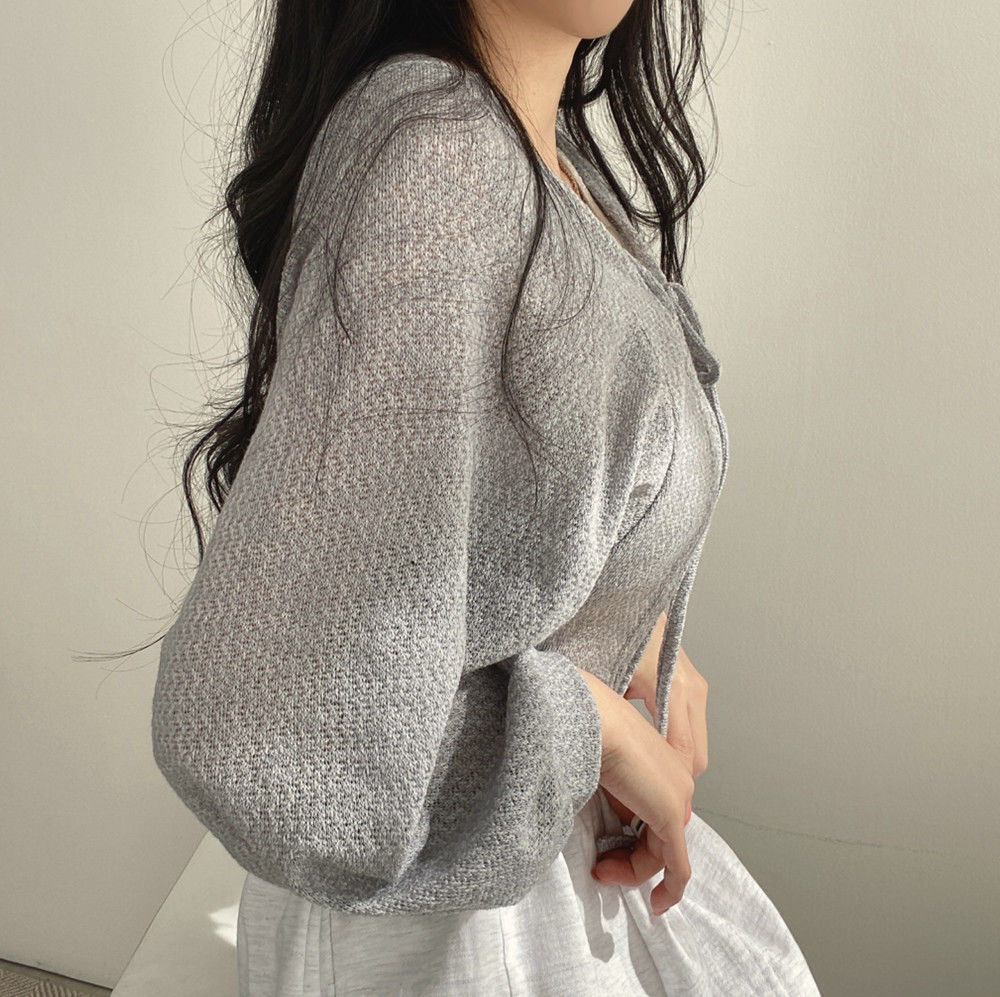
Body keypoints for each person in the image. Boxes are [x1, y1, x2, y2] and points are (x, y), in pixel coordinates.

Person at [150, 2, 823, 994]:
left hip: (511, 886)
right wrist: (588, 723)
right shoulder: (444, 158)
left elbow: (487, 505)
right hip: (451, 938)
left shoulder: (529, 153)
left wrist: (624, 617)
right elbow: (263, 739)